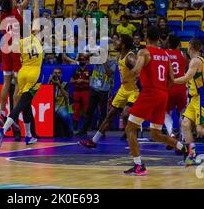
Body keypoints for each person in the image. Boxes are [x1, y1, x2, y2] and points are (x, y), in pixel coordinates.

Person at [124, 26, 185, 176]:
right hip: (163, 94)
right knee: (156, 134)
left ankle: (139, 165)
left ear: (146, 38)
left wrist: (127, 77)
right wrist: (163, 89)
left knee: (130, 128)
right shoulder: (165, 54)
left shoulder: (144, 52)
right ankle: (185, 149)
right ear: (159, 39)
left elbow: (137, 70)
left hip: (150, 93)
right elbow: (172, 78)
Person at [0, 0, 43, 148]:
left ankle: (29, 135)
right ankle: (5, 128)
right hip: (34, 75)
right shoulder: (35, 36)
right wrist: (36, 1)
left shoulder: (18, 42)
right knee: (22, 103)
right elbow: (36, 15)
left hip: (22, 73)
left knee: (25, 103)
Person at [79, 34, 139, 148]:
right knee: (110, 115)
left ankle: (131, 138)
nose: (115, 44)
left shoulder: (130, 57)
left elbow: (139, 69)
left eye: (118, 41)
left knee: (126, 113)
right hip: (123, 89)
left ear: (124, 44)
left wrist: (136, 76)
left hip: (133, 91)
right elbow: (102, 57)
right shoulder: (119, 56)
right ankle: (94, 141)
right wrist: (92, 54)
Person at [0, 0, 32, 127]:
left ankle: (2, 113)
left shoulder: (1, 15)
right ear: (11, 4)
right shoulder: (18, 10)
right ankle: (14, 115)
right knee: (17, 84)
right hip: (16, 48)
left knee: (6, 83)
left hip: (5, 48)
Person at [76, 47, 117, 137]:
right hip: (94, 89)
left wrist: (104, 62)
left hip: (104, 91)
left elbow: (109, 73)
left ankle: (101, 132)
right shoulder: (96, 60)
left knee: (103, 113)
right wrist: (93, 53)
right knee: (89, 110)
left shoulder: (113, 62)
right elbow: (84, 58)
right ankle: (83, 130)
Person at [164, 35, 187, 146]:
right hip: (181, 87)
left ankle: (171, 133)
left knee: (166, 113)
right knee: (183, 112)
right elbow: (186, 66)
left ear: (168, 43)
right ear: (179, 44)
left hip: (169, 87)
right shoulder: (182, 54)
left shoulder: (164, 54)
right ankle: (182, 137)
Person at [50, 68, 73, 138]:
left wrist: (59, 85)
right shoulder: (49, 83)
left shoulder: (65, 84)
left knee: (66, 115)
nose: (57, 75)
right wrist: (49, 81)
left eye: (58, 73)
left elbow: (67, 96)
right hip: (50, 107)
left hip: (61, 106)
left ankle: (70, 132)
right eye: (55, 73)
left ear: (61, 74)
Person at [70, 55, 91, 131]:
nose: (82, 61)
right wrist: (76, 81)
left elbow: (91, 81)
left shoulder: (89, 69)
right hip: (77, 91)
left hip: (85, 91)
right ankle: (75, 127)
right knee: (76, 109)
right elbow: (71, 81)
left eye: (83, 60)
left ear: (86, 61)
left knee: (86, 109)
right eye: (80, 60)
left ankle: (87, 126)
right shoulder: (76, 69)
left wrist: (83, 81)